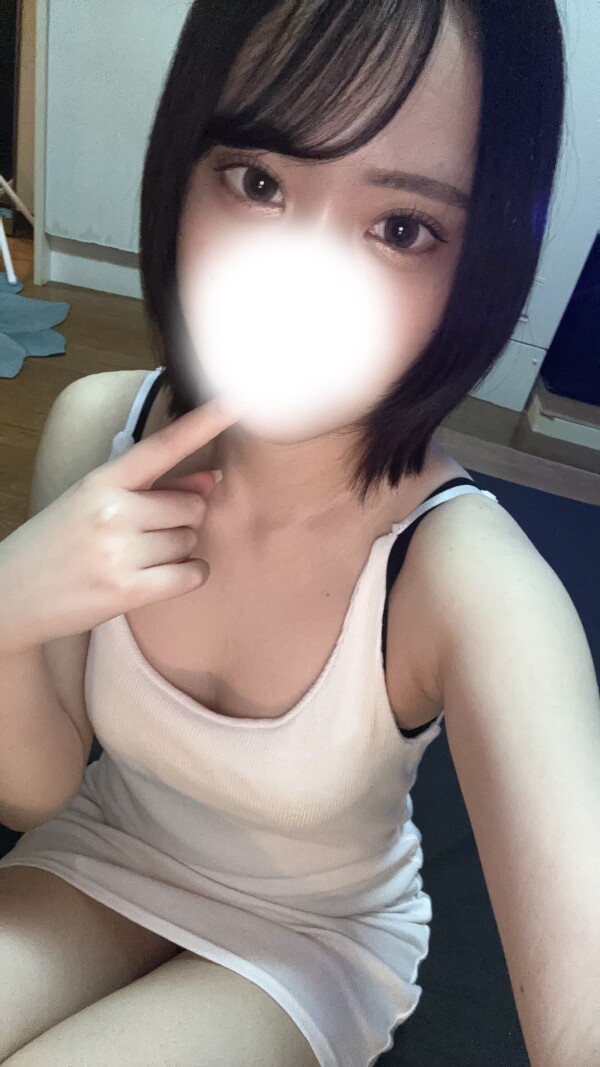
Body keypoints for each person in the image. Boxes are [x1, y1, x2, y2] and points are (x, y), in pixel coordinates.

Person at [2, 2, 598, 1066]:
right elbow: (37, 787)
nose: (298, 284)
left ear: (477, 263)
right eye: (258, 181)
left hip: (309, 942)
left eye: (402, 227)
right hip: (99, 848)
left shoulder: (466, 578)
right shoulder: (99, 428)